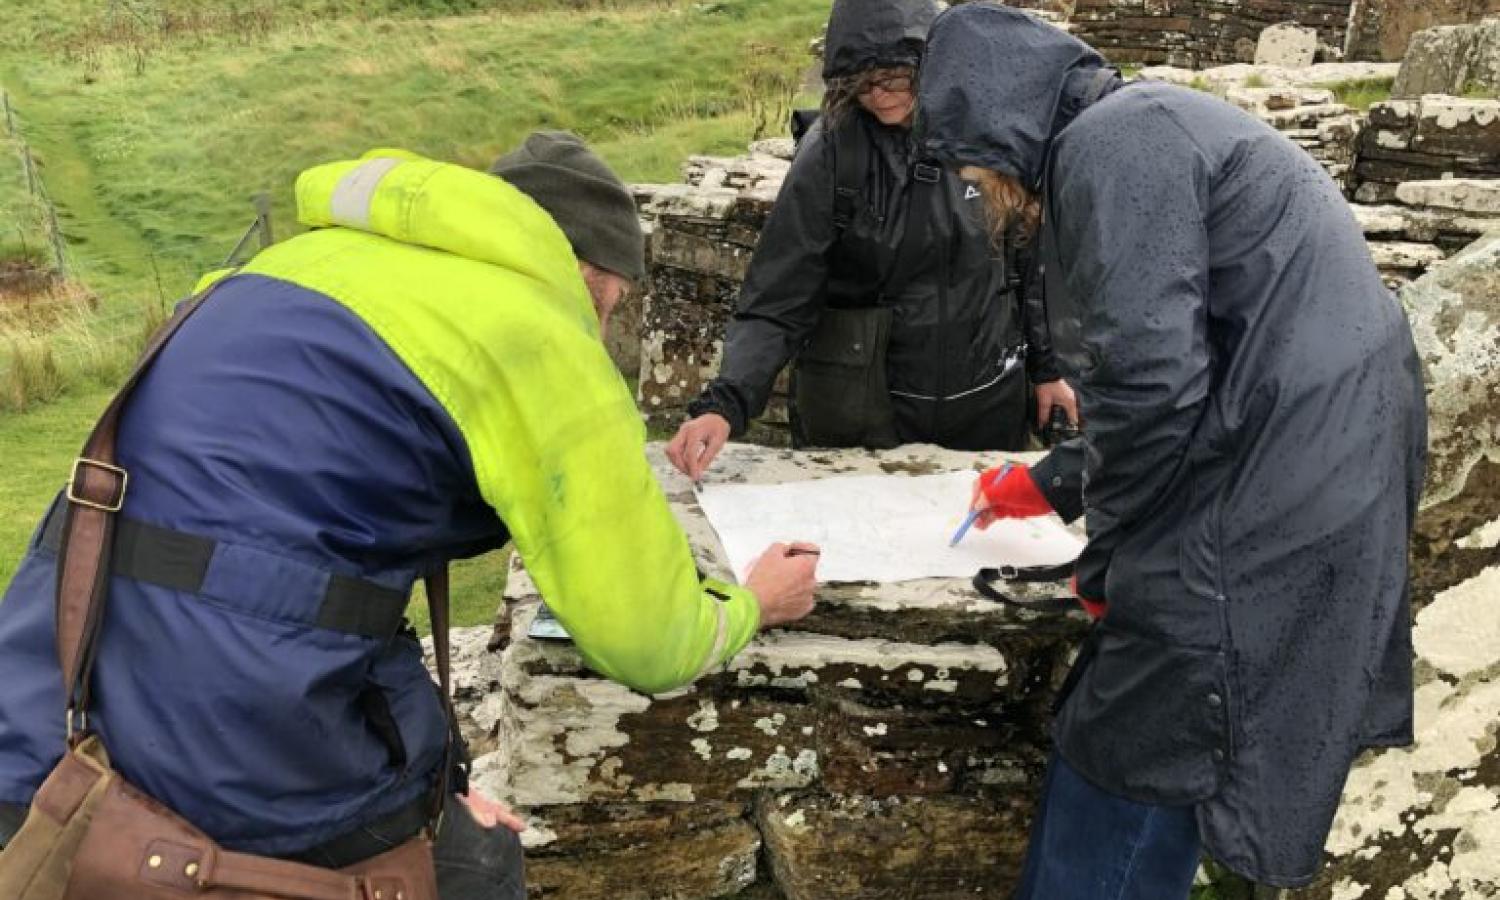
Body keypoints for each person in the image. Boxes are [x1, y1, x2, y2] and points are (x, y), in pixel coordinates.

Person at [0, 132, 820, 898]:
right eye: (609, 308)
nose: (601, 330)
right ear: (587, 273)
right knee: (477, 867)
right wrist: (750, 601)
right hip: (234, 710)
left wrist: (437, 784)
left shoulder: (288, 265)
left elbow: (307, 555)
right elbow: (646, 638)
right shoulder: (531, 333)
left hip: (52, 676)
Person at [917, 5, 1427, 897]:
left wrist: (1109, 562)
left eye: (974, 169)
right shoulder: (1145, 125)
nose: (979, 189)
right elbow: (1186, 364)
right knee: (1163, 722)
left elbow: (1151, 381)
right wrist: (1052, 483)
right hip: (1305, 454)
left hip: (1276, 479)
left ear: (998, 115)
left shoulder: (1118, 142)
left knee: (1144, 735)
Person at [666, 0, 1075, 482]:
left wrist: (1048, 370)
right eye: (861, 83)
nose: (879, 96)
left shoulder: (988, 129)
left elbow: (1031, 255)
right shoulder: (834, 153)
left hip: (986, 406)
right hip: (865, 415)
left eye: (896, 78)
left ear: (932, 64)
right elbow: (779, 291)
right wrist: (725, 403)